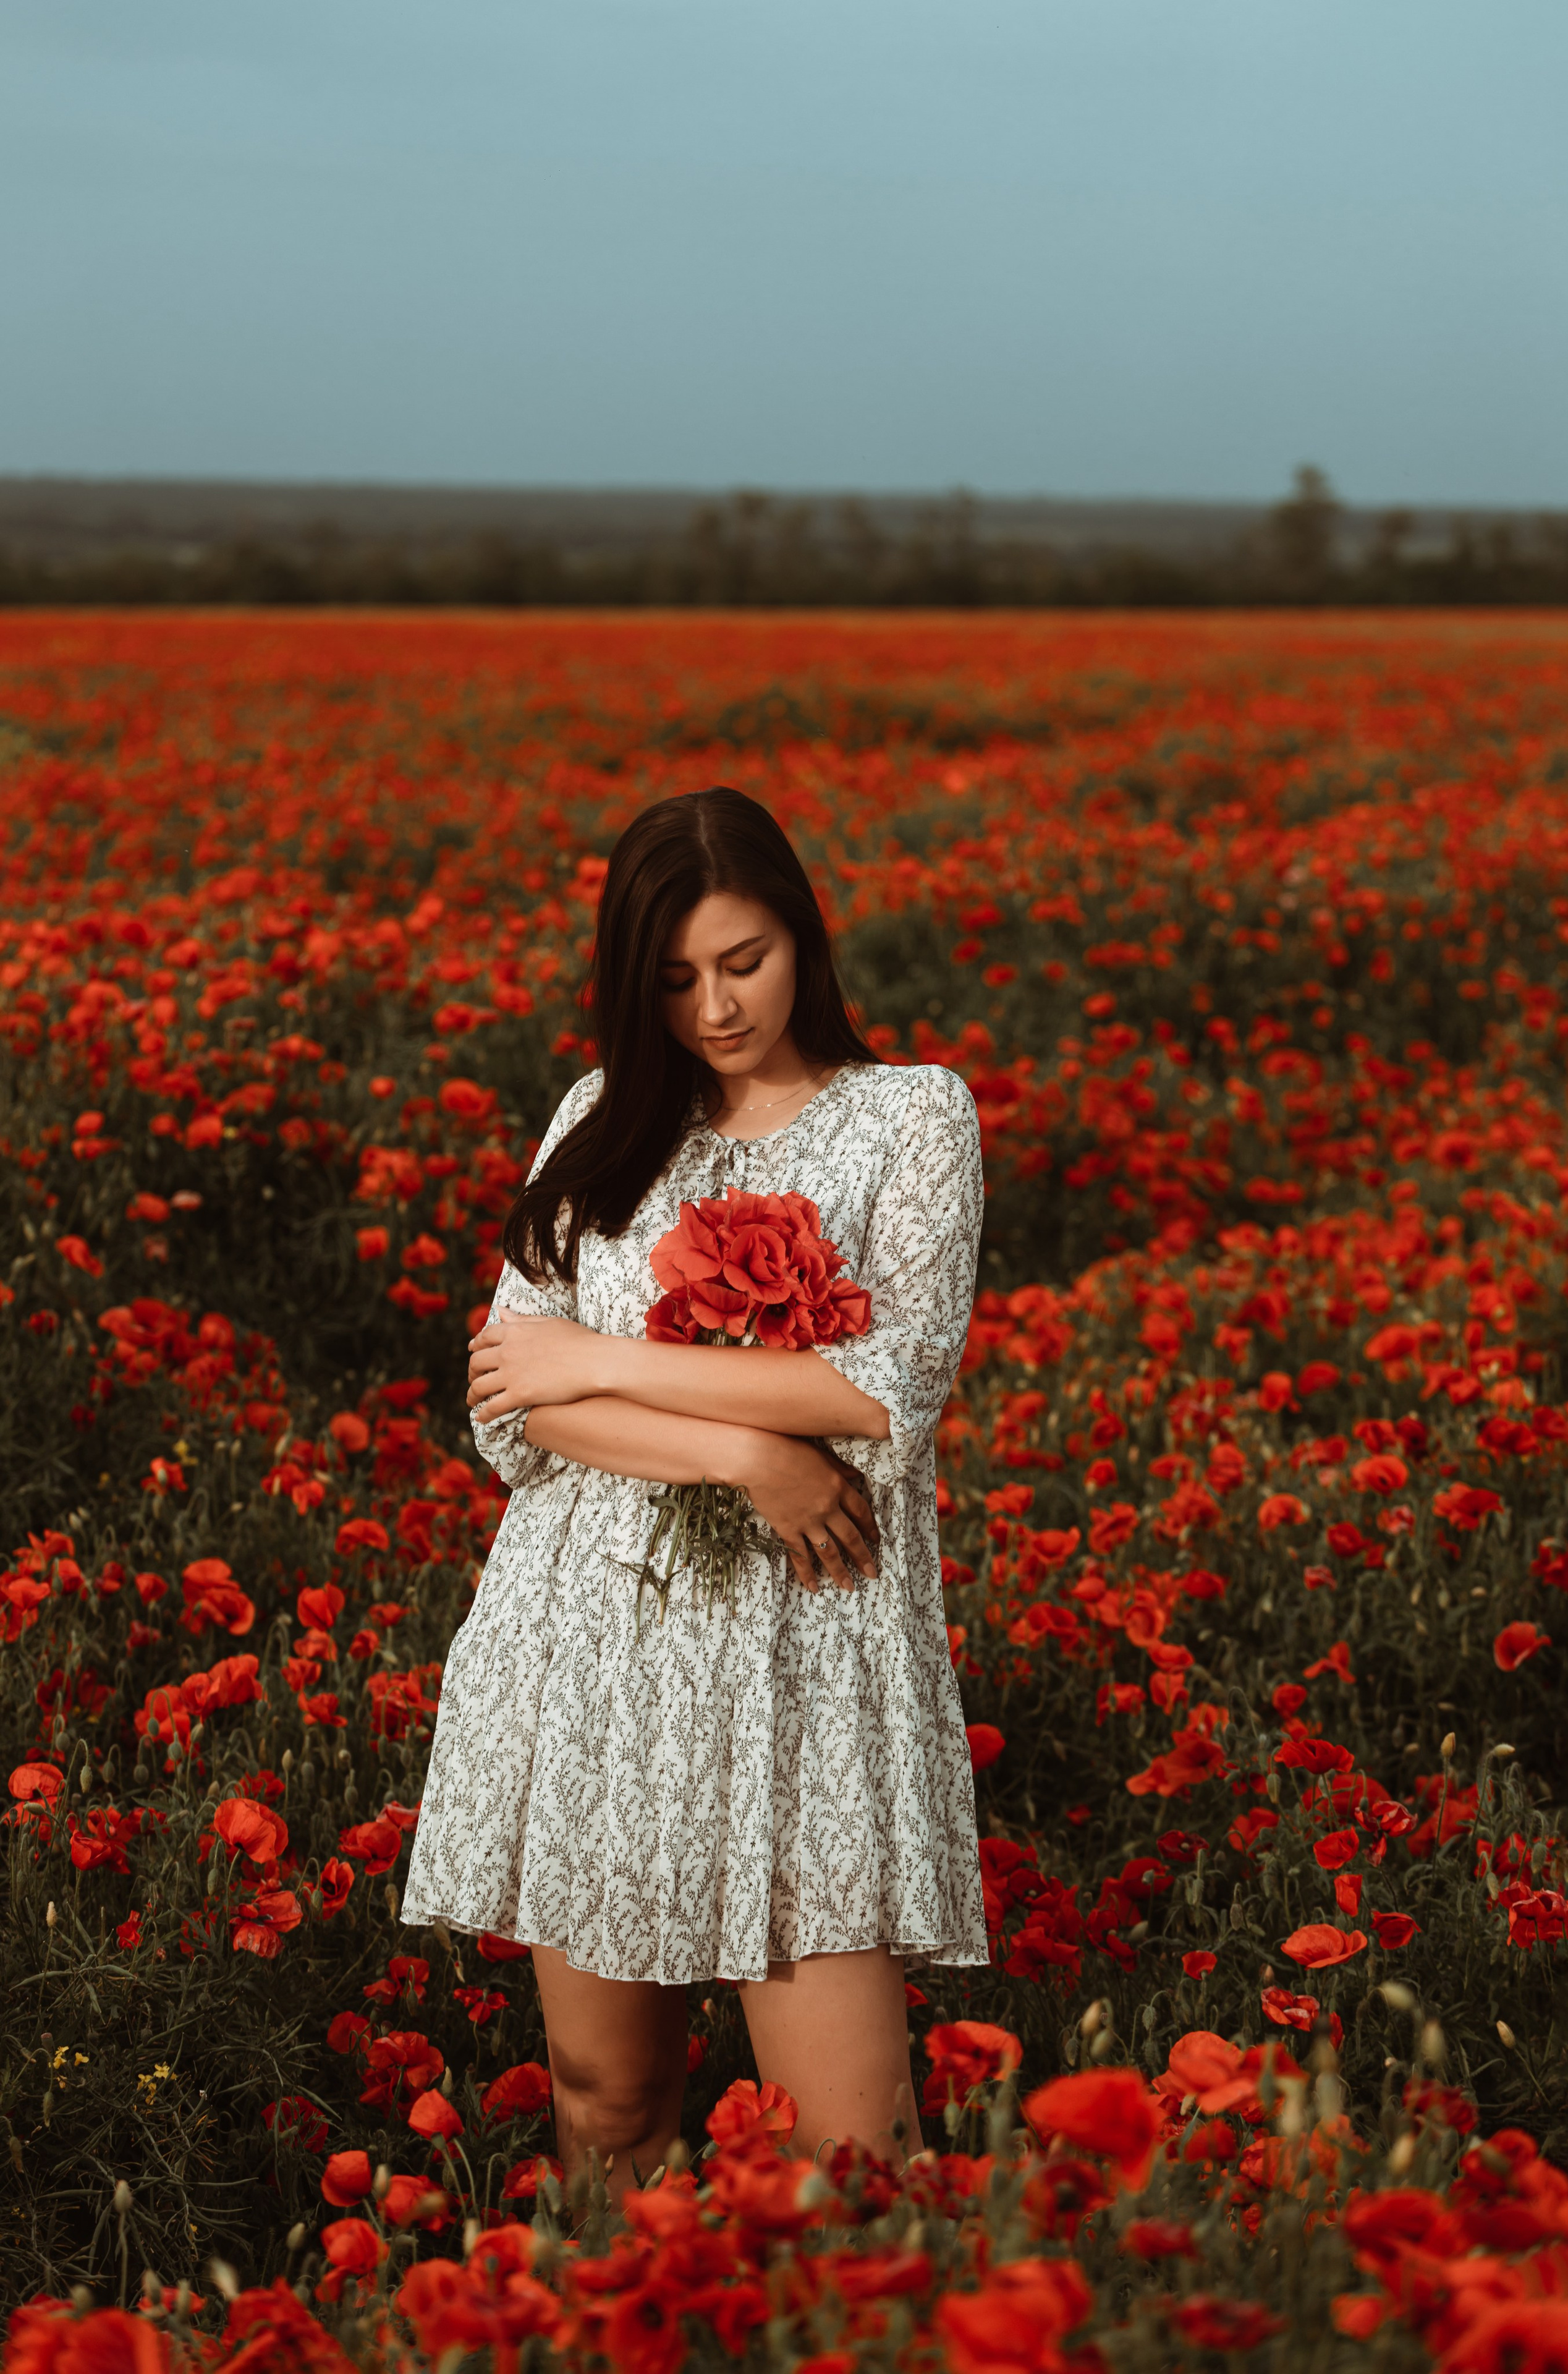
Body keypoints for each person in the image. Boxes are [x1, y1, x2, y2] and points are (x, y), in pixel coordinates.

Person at [400, 785, 987, 2195]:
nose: (716, 1009)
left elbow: (878, 1390)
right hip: (597, 1650)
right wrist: (745, 1452)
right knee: (608, 2108)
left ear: (803, 937)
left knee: (855, 2157)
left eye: (744, 963)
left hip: (813, 1664)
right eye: (673, 980)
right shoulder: (600, 1117)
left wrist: (594, 1359)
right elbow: (511, 1399)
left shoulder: (911, 1117)